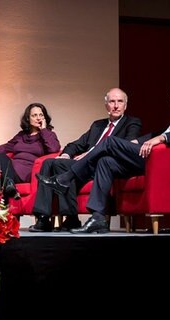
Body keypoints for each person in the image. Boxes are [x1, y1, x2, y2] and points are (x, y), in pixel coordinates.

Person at [37, 75, 170, 234]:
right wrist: (142, 140)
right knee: (106, 161)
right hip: (151, 155)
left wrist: (163, 138)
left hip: (160, 161)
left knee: (110, 142)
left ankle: (65, 178)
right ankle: (98, 217)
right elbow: (160, 132)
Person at [30, 88, 142, 232]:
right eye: (112, 101)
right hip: (85, 166)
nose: (116, 105)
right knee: (50, 162)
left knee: (60, 166)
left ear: (125, 106)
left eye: (120, 102)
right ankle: (44, 218)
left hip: (103, 165)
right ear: (106, 106)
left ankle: (70, 218)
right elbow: (76, 144)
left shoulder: (132, 123)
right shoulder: (98, 125)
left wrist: (90, 153)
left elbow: (123, 149)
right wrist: (66, 155)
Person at [0, 103, 61, 204]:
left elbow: (54, 149)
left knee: (1, 179)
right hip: (13, 170)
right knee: (1, 156)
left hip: (29, 171)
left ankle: (5, 201)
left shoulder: (48, 134)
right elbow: (6, 147)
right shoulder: (21, 135)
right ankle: (9, 186)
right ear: (28, 118)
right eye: (34, 115)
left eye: (41, 115)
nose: (38, 118)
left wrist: (44, 130)